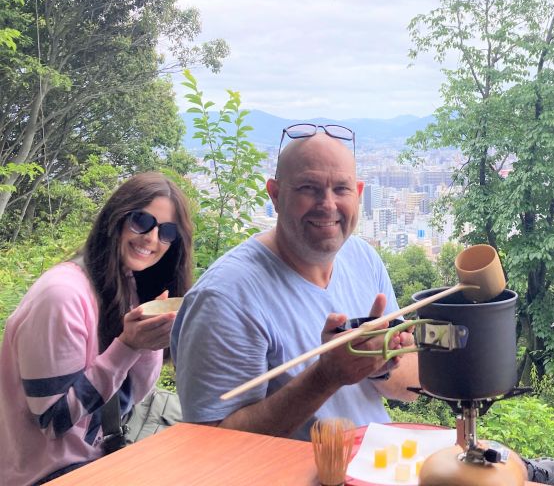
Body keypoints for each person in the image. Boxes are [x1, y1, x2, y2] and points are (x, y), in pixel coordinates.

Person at [171, 125, 420, 442]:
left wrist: (379, 366)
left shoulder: (363, 258)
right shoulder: (225, 296)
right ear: (275, 194)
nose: (327, 204)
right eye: (308, 188)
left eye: (340, 189)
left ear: (358, 194)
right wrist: (326, 376)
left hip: (377, 463)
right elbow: (211, 445)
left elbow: (410, 383)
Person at [0, 172, 193, 486]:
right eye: (142, 221)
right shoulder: (62, 295)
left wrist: (148, 341)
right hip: (44, 471)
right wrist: (128, 346)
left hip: (98, 443)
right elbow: (54, 421)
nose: (152, 239)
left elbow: (128, 399)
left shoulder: (125, 283)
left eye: (167, 232)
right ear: (115, 218)